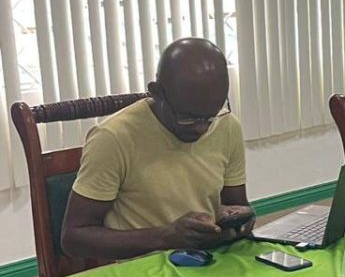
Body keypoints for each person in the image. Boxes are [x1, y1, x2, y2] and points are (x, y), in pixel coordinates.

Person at [61, 38, 253, 260]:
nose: (202, 128)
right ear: (157, 93)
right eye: (187, 117)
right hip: (143, 272)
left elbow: (237, 205)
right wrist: (164, 237)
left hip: (207, 260)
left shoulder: (226, 125)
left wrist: (238, 219)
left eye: (210, 116)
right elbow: (74, 239)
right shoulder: (113, 138)